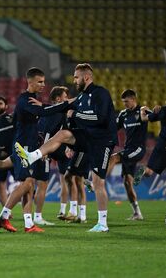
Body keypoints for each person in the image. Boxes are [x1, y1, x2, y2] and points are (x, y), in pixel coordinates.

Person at [16, 63, 118, 232]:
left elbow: (99, 118)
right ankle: (33, 155)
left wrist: (75, 114)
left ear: (86, 77)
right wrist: (41, 107)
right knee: (63, 134)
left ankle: (102, 223)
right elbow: (63, 106)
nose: (74, 80)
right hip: (88, 136)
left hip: (102, 140)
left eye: (76, 77)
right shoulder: (82, 97)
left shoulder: (100, 93)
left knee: (98, 182)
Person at [0, 67, 72, 233]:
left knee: (28, 185)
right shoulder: (25, 99)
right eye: (40, 81)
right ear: (30, 82)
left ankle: (29, 223)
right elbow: (42, 112)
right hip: (24, 147)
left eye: (44, 81)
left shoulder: (32, 99)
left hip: (29, 145)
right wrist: (65, 104)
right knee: (28, 183)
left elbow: (22, 119)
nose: (43, 84)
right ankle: (3, 217)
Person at [107, 89, 147, 220]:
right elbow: (113, 128)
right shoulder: (123, 114)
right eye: (123, 102)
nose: (124, 104)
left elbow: (155, 117)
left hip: (138, 149)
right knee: (127, 182)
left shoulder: (142, 110)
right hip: (128, 149)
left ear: (134, 99)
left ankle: (98, 181)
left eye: (127, 102)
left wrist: (157, 111)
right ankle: (137, 213)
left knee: (115, 157)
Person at [34, 86, 71, 226]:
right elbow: (47, 132)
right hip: (47, 147)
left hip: (57, 146)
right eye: (65, 96)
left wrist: (68, 146)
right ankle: (37, 216)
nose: (67, 98)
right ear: (58, 99)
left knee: (66, 178)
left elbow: (66, 130)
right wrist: (45, 150)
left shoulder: (59, 111)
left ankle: (63, 211)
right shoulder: (55, 112)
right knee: (43, 183)